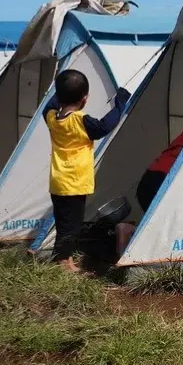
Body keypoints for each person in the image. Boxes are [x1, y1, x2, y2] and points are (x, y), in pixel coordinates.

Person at [43, 69, 130, 272]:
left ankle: (61, 257)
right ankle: (65, 262)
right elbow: (104, 126)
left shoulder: (52, 118)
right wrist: (120, 104)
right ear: (85, 99)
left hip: (58, 182)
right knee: (72, 226)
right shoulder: (80, 121)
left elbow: (50, 105)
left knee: (64, 222)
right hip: (74, 183)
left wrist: (62, 91)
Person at [115, 120, 183, 256]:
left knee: (166, 225)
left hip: (152, 177)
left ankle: (129, 238)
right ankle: (131, 233)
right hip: (167, 180)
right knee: (176, 226)